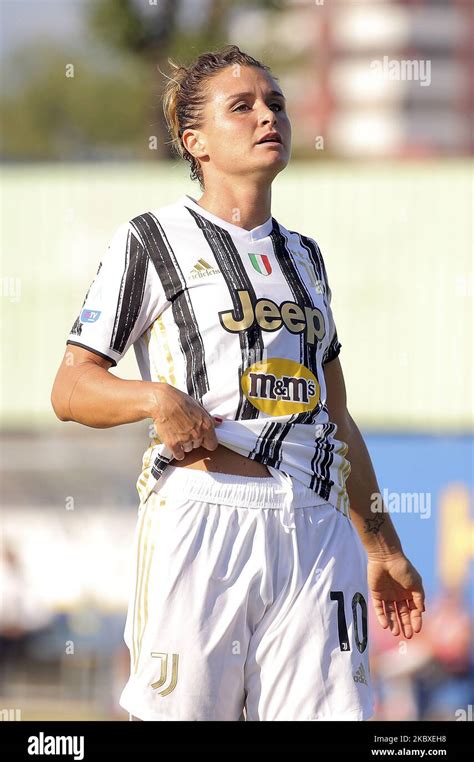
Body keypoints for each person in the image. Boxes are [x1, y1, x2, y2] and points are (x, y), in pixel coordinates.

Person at [51, 44, 425, 721]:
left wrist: (383, 545)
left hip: (314, 529)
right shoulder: (151, 239)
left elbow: (335, 416)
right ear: (195, 141)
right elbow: (71, 387)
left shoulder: (305, 257)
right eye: (243, 106)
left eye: (275, 102)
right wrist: (154, 399)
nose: (267, 116)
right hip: (202, 518)